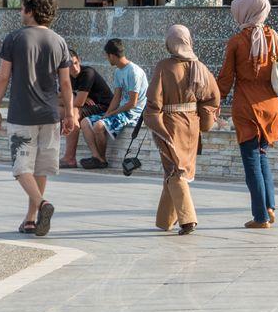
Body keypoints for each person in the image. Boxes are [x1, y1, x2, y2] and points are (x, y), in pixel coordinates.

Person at [0, 0, 76, 237]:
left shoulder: (15, 39)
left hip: (22, 114)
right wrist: (69, 113)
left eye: (22, 7)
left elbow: (4, 77)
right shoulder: (59, 41)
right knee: (39, 169)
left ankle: (42, 205)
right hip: (50, 115)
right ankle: (30, 219)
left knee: (20, 168)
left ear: (29, 10)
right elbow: (67, 83)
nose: (20, 12)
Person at [217, 0, 278, 229]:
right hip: (272, 107)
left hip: (247, 108)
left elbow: (225, 78)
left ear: (245, 12)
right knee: (262, 157)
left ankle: (260, 216)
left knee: (251, 161)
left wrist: (215, 102)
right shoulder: (275, 38)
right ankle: (269, 206)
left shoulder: (237, 41)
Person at [144, 25, 221, 235]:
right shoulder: (201, 67)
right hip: (192, 124)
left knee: (174, 170)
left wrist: (153, 121)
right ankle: (164, 221)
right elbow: (213, 98)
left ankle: (188, 220)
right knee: (174, 169)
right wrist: (203, 123)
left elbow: (153, 101)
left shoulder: (164, 67)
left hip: (171, 124)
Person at [79, 39, 148, 169]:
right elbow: (116, 97)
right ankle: (97, 157)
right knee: (85, 122)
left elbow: (132, 103)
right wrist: (106, 114)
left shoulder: (134, 72)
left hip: (133, 114)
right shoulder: (118, 71)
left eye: (107, 56)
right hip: (121, 111)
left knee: (99, 126)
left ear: (111, 55)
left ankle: (102, 160)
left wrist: (112, 113)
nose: (107, 59)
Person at [60, 49, 114, 169]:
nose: (74, 67)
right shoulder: (66, 76)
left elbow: (79, 102)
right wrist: (75, 95)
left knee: (73, 112)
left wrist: (76, 98)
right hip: (87, 106)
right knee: (54, 109)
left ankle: (69, 158)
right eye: (69, 65)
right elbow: (56, 97)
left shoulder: (87, 73)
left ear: (79, 60)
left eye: (75, 63)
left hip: (103, 106)